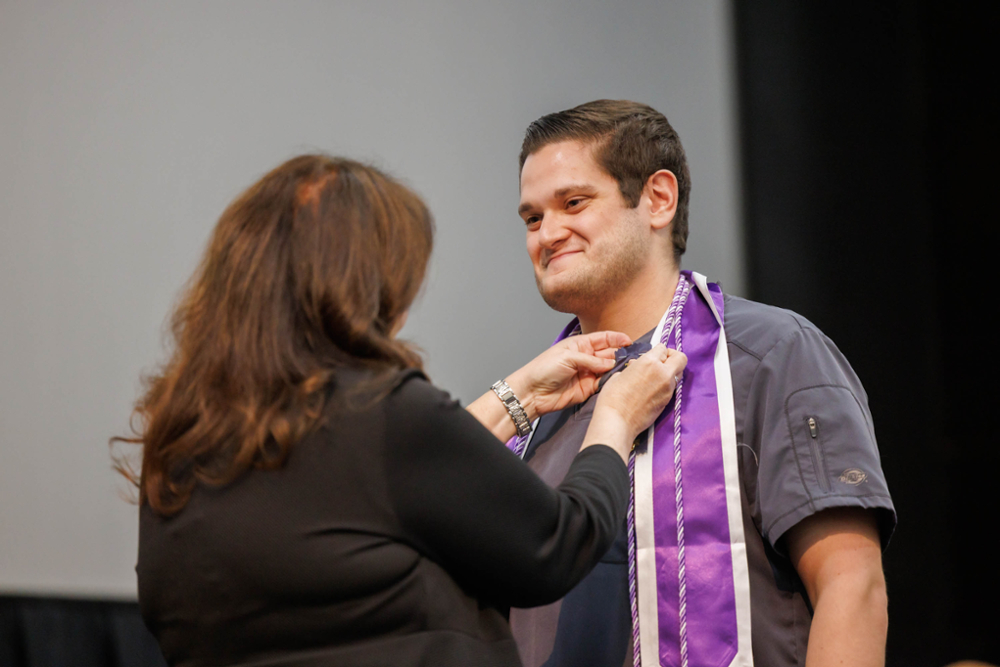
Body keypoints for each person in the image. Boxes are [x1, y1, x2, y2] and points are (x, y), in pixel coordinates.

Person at [115, 154, 688, 667]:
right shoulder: (380, 409)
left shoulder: (184, 447)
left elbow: (377, 489)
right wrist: (616, 415)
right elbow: (558, 544)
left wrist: (519, 397)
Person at [507, 100, 895, 667]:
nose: (548, 233)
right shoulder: (537, 404)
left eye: (573, 203)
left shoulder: (768, 353)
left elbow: (852, 588)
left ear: (658, 199)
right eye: (532, 218)